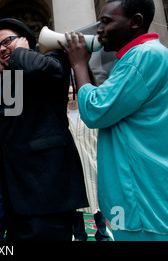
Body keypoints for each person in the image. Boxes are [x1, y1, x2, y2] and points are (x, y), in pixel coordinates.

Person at [61, 0, 168, 241]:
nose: (99, 29)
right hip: (149, 193)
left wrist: (78, 64)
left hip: (145, 197)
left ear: (136, 22)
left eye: (107, 21)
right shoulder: (145, 55)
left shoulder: (142, 56)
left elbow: (94, 111)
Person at [0, 18, 88, 241]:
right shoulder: (7, 77)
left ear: (25, 40)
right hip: (17, 191)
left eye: (7, 42)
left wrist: (19, 52)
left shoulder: (53, 59)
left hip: (48, 186)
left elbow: (40, 68)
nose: (2, 49)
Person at [67, 85, 109, 241]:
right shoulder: (62, 116)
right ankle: (79, 235)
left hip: (92, 162)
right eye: (68, 93)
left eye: (72, 93)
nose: (70, 96)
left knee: (98, 202)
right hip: (73, 167)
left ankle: (102, 235)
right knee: (76, 205)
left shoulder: (89, 114)